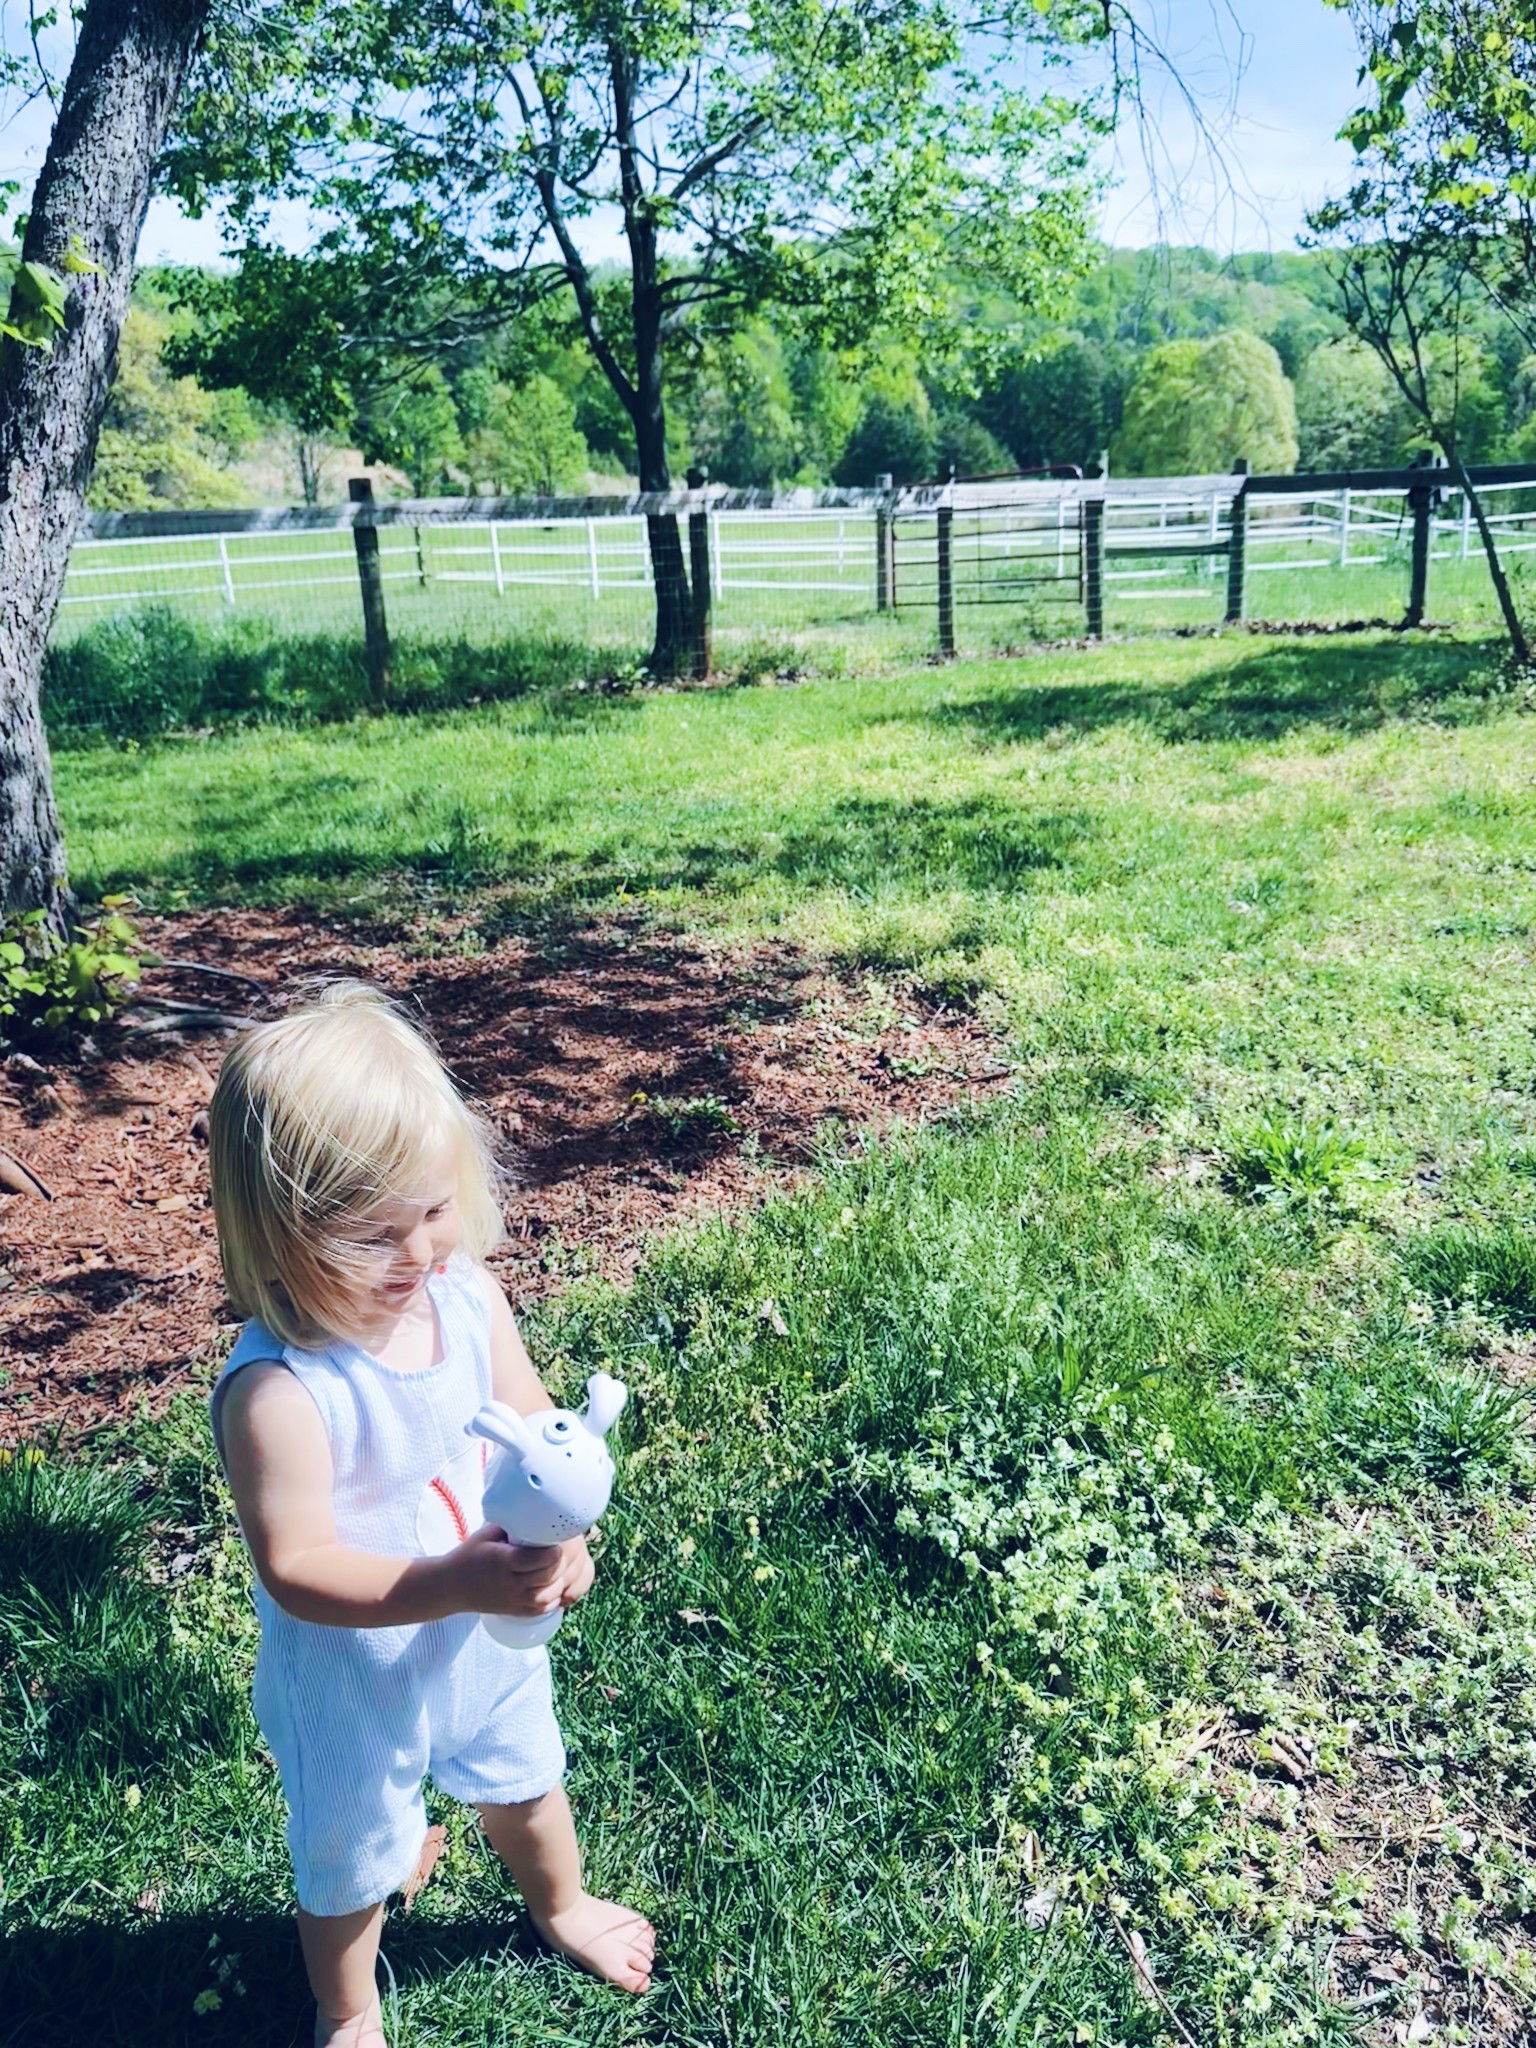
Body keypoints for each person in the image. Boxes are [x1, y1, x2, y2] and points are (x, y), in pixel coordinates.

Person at [207, 982, 655, 2048]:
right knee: (351, 1854)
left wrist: (568, 1532)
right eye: (373, 1233)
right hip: (352, 1674)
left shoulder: (467, 1301)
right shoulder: (281, 1389)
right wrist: (452, 1579)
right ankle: (348, 2005)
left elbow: (538, 1421)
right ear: (277, 1233)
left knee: (525, 1779)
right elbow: (298, 1562)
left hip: (482, 1632)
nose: (417, 1251)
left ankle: (563, 1904)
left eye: (433, 1207)